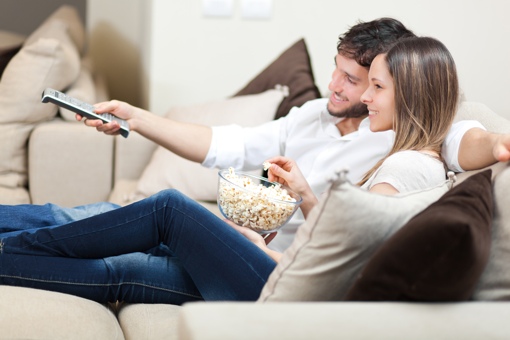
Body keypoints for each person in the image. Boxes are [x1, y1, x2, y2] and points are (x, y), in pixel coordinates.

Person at [0, 36, 461, 304]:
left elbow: (349, 261)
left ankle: (14, 245)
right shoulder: (324, 118)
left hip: (284, 282)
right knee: (108, 238)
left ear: (412, 95)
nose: (356, 94)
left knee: (168, 211)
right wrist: (136, 118)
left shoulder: (407, 161)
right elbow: (344, 239)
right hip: (275, 263)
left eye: (371, 85)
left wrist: (273, 243)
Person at [79, 19, 510, 252]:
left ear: (393, 81)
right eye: (336, 70)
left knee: (146, 221)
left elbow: (458, 139)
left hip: (268, 259)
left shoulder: (401, 138)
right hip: (245, 239)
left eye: (356, 80)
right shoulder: (313, 114)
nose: (334, 86)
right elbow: (229, 145)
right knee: (87, 216)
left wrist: (495, 143)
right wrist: (136, 118)